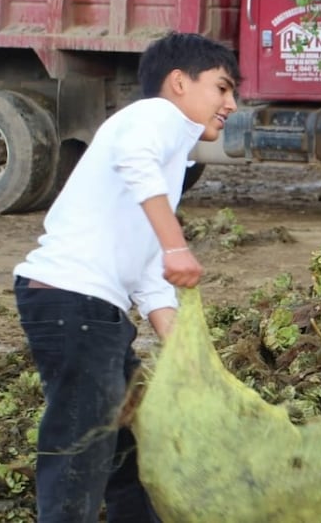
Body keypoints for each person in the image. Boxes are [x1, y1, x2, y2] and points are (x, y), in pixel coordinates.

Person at [12, 32, 239, 523]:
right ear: (179, 82)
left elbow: (146, 270)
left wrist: (182, 349)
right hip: (73, 303)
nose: (232, 104)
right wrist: (177, 245)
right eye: (222, 88)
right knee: (81, 449)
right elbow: (137, 171)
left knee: (132, 450)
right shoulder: (154, 117)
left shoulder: (174, 153)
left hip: (95, 314)